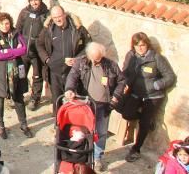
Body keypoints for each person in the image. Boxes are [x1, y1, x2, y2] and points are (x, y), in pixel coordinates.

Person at [65, 42, 126, 171]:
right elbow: (72, 76)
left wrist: (116, 96)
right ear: (88, 55)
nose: (95, 61)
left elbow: (122, 81)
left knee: (101, 132)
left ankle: (97, 157)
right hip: (85, 104)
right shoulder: (81, 62)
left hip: (104, 105)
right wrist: (69, 89)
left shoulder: (111, 65)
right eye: (93, 58)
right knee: (81, 131)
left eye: (98, 58)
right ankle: (81, 155)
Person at [121, 32, 176, 162]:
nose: (140, 48)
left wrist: (156, 85)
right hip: (136, 93)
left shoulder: (156, 58)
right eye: (137, 45)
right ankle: (146, 119)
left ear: (147, 45)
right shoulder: (131, 56)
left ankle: (136, 149)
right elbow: (125, 71)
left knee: (144, 123)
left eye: (143, 45)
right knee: (126, 114)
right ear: (133, 46)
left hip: (153, 96)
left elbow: (170, 77)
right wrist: (124, 83)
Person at [36, 5, 91, 115]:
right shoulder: (48, 29)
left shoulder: (77, 28)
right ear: (51, 17)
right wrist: (46, 59)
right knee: (57, 100)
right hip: (54, 72)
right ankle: (58, 125)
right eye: (55, 17)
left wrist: (78, 59)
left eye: (59, 16)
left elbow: (89, 45)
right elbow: (39, 44)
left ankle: (70, 125)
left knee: (72, 100)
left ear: (64, 15)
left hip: (72, 72)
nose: (58, 19)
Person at [0, 13, 31, 139]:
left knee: (18, 98)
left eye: (7, 23)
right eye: (2, 24)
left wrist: (7, 51)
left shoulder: (16, 33)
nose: (5, 26)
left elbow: (24, 49)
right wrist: (14, 52)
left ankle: (23, 124)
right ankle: (1, 126)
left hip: (15, 72)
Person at [14, 0, 49, 110]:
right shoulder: (24, 12)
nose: (34, 3)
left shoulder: (46, 14)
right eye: (32, 0)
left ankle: (35, 98)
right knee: (21, 74)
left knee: (37, 76)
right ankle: (20, 97)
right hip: (24, 51)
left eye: (36, 0)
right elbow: (18, 28)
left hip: (37, 52)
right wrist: (18, 43)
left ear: (40, 0)